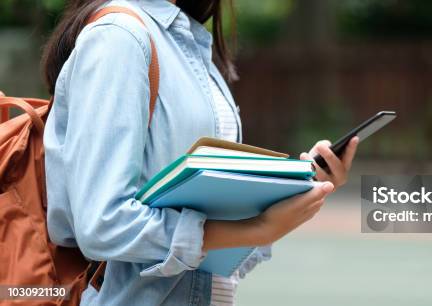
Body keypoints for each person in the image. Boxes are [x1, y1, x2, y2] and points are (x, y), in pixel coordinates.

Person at [41, 0, 359, 305]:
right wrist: (256, 229)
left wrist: (303, 186)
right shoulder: (119, 37)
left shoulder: (184, 41)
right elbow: (103, 224)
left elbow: (210, 253)